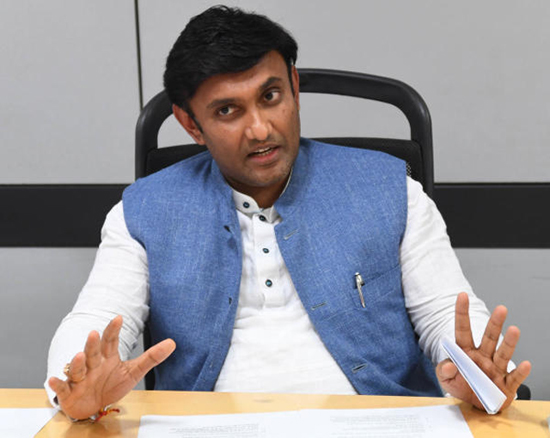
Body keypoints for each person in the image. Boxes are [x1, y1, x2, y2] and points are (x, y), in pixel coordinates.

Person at [46, 5, 531, 421]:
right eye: (228, 111)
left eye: (270, 96)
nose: (260, 129)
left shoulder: (393, 190)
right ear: (190, 124)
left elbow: (446, 312)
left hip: (377, 423)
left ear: (294, 87)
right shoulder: (142, 212)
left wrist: (479, 374)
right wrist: (76, 383)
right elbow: (97, 320)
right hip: (208, 427)